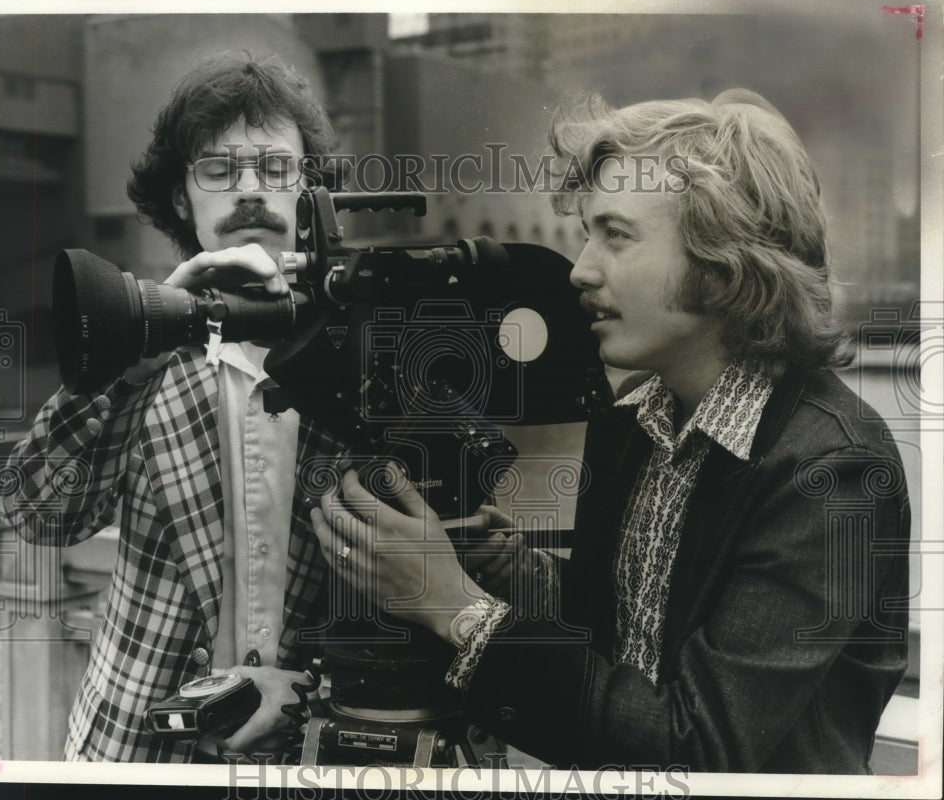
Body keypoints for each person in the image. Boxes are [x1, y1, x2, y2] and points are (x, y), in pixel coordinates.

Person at [310, 89, 912, 773]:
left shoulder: (831, 470)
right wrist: (506, 566)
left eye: (616, 236)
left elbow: (699, 748)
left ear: (723, 259)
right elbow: (622, 633)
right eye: (585, 235)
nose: (581, 270)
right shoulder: (636, 417)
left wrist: (453, 606)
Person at [0, 53, 347, 762]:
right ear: (182, 199)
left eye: (277, 169)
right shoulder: (139, 345)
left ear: (312, 190)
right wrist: (143, 349)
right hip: (135, 752)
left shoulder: (359, 350)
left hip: (303, 753)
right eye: (218, 170)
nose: (250, 191)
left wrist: (312, 683)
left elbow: (409, 575)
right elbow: (35, 512)